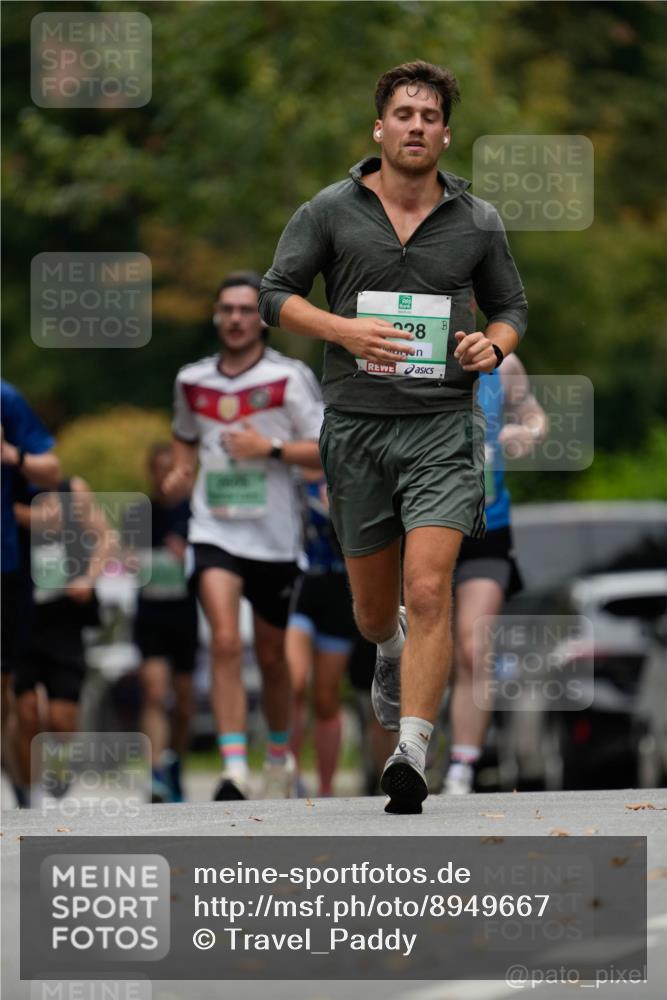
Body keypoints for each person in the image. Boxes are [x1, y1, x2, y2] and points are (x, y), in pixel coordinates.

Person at [260, 61, 528, 813]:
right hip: (355, 426)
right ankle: (387, 648)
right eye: (402, 113)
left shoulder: (476, 221)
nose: (415, 125)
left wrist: (493, 346)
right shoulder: (329, 211)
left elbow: (510, 307)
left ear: (445, 131)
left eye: (429, 115)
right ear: (379, 127)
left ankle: (412, 747)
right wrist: (341, 327)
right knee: (376, 611)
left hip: (442, 425)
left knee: (427, 586)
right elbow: (274, 293)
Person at [164, 271, 323, 801]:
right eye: (226, 309)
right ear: (215, 316)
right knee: (227, 643)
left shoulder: (290, 377)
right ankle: (234, 767)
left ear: (263, 318)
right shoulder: (192, 381)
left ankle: (278, 755)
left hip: (276, 536)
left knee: (274, 660)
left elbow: (326, 450)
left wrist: (269, 450)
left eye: (245, 310)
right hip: (214, 529)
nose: (235, 319)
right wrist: (180, 475)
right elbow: (186, 440)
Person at [445, 354, 547, 794]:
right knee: (421, 646)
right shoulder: (408, 351)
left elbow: (534, 415)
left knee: (474, 646)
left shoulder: (502, 365)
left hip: (488, 527)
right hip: (421, 526)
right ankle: (413, 744)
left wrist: (528, 432)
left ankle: (462, 767)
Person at [13, 473, 115, 804]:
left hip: (64, 620)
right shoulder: (7, 491)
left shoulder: (73, 490)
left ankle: (58, 764)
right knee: (26, 712)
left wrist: (88, 577)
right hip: (18, 619)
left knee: (61, 718)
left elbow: (106, 538)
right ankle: (30, 795)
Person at [1, 380, 60, 800]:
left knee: (7, 694)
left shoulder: (6, 399)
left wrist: (8, 454)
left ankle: (23, 788)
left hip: (6, 566)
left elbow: (51, 470)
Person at [134, 442, 199, 803]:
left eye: (168, 468)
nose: (163, 475)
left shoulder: (196, 513)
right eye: (157, 468)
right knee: (155, 693)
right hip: (150, 613)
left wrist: (187, 554)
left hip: (184, 613)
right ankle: (156, 772)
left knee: (185, 703)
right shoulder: (140, 512)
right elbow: (120, 559)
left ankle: (175, 763)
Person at [286, 472, 357, 797]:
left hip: (339, 588)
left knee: (326, 697)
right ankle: (290, 775)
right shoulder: (289, 472)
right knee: (294, 682)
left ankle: (326, 788)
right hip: (299, 585)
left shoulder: (350, 472)